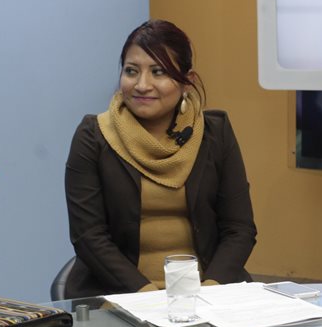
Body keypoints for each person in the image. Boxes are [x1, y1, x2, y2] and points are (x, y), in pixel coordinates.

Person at [63, 19, 256, 297]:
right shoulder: (93, 136)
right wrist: (147, 297)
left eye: (158, 72)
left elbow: (239, 229)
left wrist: (210, 292)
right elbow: (88, 237)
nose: (142, 85)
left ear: (187, 81)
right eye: (131, 71)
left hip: (210, 294)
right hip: (120, 296)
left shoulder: (215, 133)